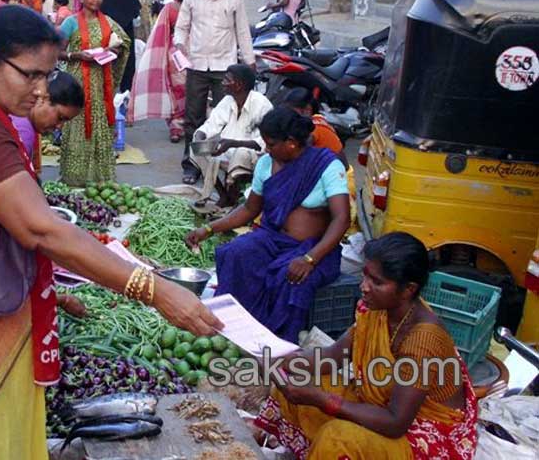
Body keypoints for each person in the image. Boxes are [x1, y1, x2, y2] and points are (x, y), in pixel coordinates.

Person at [0, 5, 222, 458]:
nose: (40, 92)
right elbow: (42, 230)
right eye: (30, 76)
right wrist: (153, 290)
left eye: (47, 77)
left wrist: (52, 289)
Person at [256, 232, 478, 459]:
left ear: (409, 289)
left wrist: (323, 400)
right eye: (365, 276)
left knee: (337, 438)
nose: (364, 287)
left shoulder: (422, 340)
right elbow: (334, 356)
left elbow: (396, 422)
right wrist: (283, 359)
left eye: (377, 282)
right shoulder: (377, 311)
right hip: (385, 408)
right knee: (299, 379)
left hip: (426, 435)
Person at [185, 107, 349, 342]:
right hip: (271, 238)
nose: (266, 149)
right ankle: (235, 328)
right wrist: (209, 229)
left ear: (291, 143)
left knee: (289, 278)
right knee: (235, 253)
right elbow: (250, 209)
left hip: (313, 249)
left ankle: (275, 340)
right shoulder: (265, 164)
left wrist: (310, 259)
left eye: (271, 144)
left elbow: (341, 219)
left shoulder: (326, 166)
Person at [174, 0, 254, 185]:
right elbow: (181, 27)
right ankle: (192, 165)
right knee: (193, 118)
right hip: (197, 65)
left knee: (226, 119)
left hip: (225, 68)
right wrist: (180, 44)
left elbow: (242, 32)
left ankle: (225, 166)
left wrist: (249, 61)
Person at [59, 0, 131, 186]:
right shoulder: (71, 22)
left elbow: (124, 42)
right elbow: (57, 51)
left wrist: (114, 52)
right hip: (78, 83)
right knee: (78, 125)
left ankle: (101, 178)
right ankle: (75, 177)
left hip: (101, 83)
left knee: (101, 125)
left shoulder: (107, 22)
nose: (96, 0)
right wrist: (76, 55)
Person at [190, 65, 273, 210]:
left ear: (239, 85)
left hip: (255, 155)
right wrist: (199, 136)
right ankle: (224, 195)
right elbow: (211, 124)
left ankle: (236, 197)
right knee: (196, 149)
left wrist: (234, 143)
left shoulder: (261, 104)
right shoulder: (228, 100)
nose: (222, 82)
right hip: (228, 150)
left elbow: (264, 142)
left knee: (240, 153)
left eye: (227, 80)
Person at [129, 0, 198, 143]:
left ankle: (177, 126)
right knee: (189, 89)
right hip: (190, 52)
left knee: (177, 90)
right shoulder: (191, 6)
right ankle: (184, 125)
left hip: (177, 53)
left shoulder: (170, 8)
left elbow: (160, 32)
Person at [11, 69, 84, 171]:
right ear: (44, 98)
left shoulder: (16, 116)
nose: (59, 126)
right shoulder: (23, 132)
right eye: (60, 118)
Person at [101, 0, 141, 92]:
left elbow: (102, 10)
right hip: (126, 31)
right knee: (127, 60)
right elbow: (135, 11)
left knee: (111, 57)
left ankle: (109, 86)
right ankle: (126, 88)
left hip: (110, 31)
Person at [283, 88, 343, 156]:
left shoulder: (314, 127)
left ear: (307, 110)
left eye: (290, 110)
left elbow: (300, 150)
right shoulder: (319, 118)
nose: (287, 113)